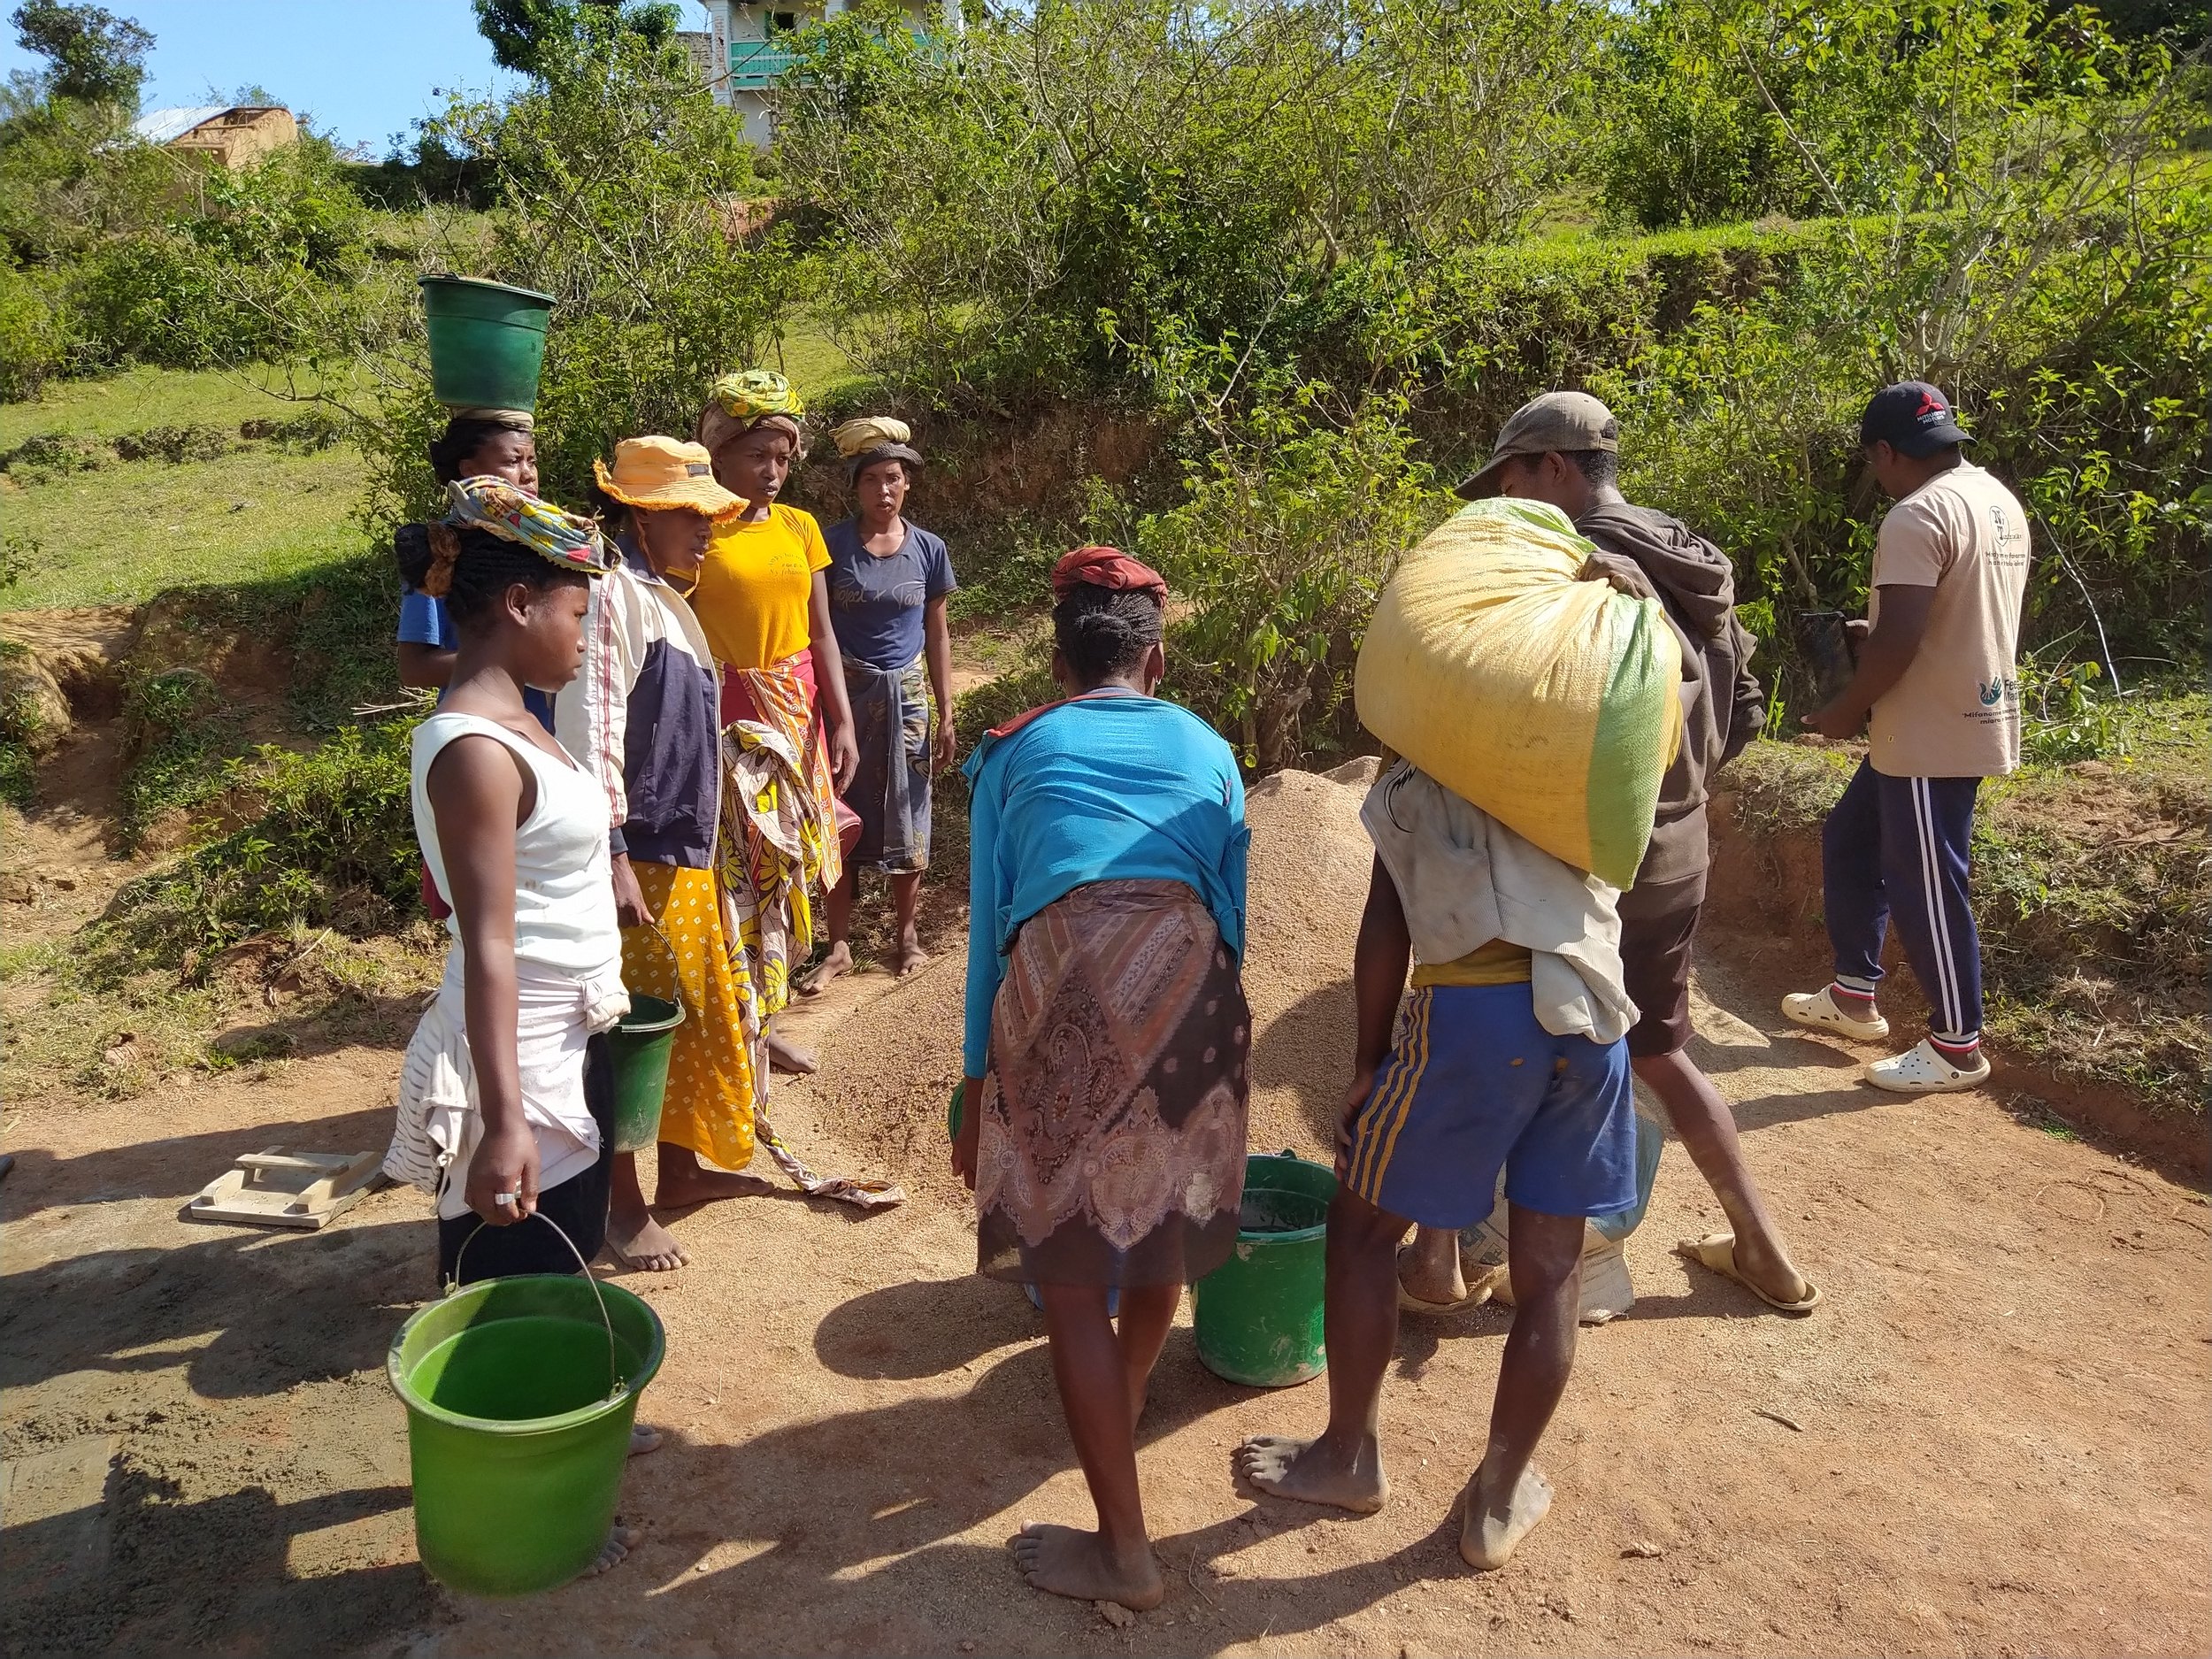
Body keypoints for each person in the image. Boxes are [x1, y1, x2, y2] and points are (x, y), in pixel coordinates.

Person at [1402, 390, 1817, 1315]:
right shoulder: (1689, 554)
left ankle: (1442, 1264)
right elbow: (1742, 710)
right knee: (1661, 1046)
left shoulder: (1575, 570)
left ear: (1554, 467)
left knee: (1472, 1023)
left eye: (1512, 480)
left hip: (1584, 858)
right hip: (1678, 848)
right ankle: (1762, 1247)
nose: (1503, 503)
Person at [1237, 732, 1644, 1572]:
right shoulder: (1585, 759)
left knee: (1358, 1229)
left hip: (1474, 1020)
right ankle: (1497, 1499)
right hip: (1594, 1019)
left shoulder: (1428, 763)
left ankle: (1348, 1456)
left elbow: (1385, 925)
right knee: (1553, 1272)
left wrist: (1367, 1059)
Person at [952, 547, 1251, 1611]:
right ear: (1154, 657)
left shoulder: (1014, 752)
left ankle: (1124, 1551)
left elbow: (991, 932)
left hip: (1058, 984)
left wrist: (973, 1082)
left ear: (1058, 657)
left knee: (1071, 1274)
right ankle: (1112, 1418)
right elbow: (1234, 913)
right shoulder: (1210, 748)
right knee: (1157, 1222)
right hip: (1193, 984)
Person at [378, 480, 649, 1571]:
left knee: (554, 1271)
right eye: (580, 614)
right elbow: (487, 942)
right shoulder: (474, 750)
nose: (588, 637)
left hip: (552, 1049)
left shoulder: (512, 725)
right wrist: (501, 1122)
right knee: (504, 1300)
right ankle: (506, 1518)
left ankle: (546, 1485)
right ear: (524, 603)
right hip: (516, 1066)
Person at [1785, 382, 2030, 1092]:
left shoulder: (1913, 515)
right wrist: (1876, 638)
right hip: (1952, 714)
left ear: (1886, 452)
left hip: (1933, 729)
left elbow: (1897, 644)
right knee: (1850, 837)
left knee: (1926, 881)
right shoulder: (1993, 499)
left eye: (1875, 462)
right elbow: (1954, 612)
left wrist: (1843, 708)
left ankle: (1958, 1044)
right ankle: (1855, 994)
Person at [557, 436, 760, 1273]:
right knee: (633, 1030)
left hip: (678, 850)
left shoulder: (660, 595)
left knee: (690, 1011)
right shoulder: (613, 598)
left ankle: (678, 1168)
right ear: (639, 516)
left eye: (710, 515)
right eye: (689, 515)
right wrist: (607, 852)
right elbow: (595, 725)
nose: (707, 531)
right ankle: (622, 1205)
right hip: (636, 852)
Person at [691, 371, 858, 1077]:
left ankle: (773, 1017)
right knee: (737, 870)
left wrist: (842, 720)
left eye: (784, 457)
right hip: (730, 720)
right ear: (720, 454)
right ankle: (741, 1027)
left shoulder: (801, 527)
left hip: (797, 716)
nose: (772, 471)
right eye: (759, 454)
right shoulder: (696, 531)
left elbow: (822, 634)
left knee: (788, 868)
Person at [806, 416, 958, 987]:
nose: (884, 491)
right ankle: (839, 944)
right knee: (841, 815)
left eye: (893, 478)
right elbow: (816, 630)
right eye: (871, 480)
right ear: (856, 486)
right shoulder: (829, 547)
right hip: (846, 699)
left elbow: (937, 632)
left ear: (908, 483)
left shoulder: (929, 550)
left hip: (909, 698)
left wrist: (947, 710)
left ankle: (907, 938)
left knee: (910, 813)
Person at [397, 411, 557, 732]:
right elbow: (414, 667)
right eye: (513, 462)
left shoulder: (556, 543)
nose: (527, 475)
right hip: (482, 729)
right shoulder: (440, 551)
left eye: (532, 461)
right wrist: (515, 663)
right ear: (470, 471)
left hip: (557, 736)